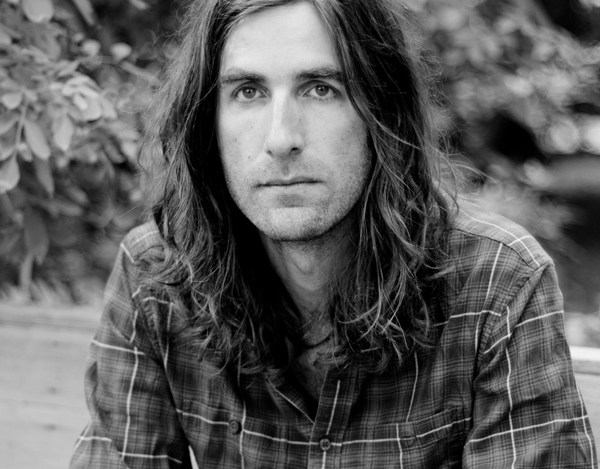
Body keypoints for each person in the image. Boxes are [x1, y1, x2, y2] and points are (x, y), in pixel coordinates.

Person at [71, 0, 598, 467]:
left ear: (381, 112)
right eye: (248, 91)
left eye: (321, 89)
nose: (281, 138)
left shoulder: (498, 284)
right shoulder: (157, 277)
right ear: (207, 121)